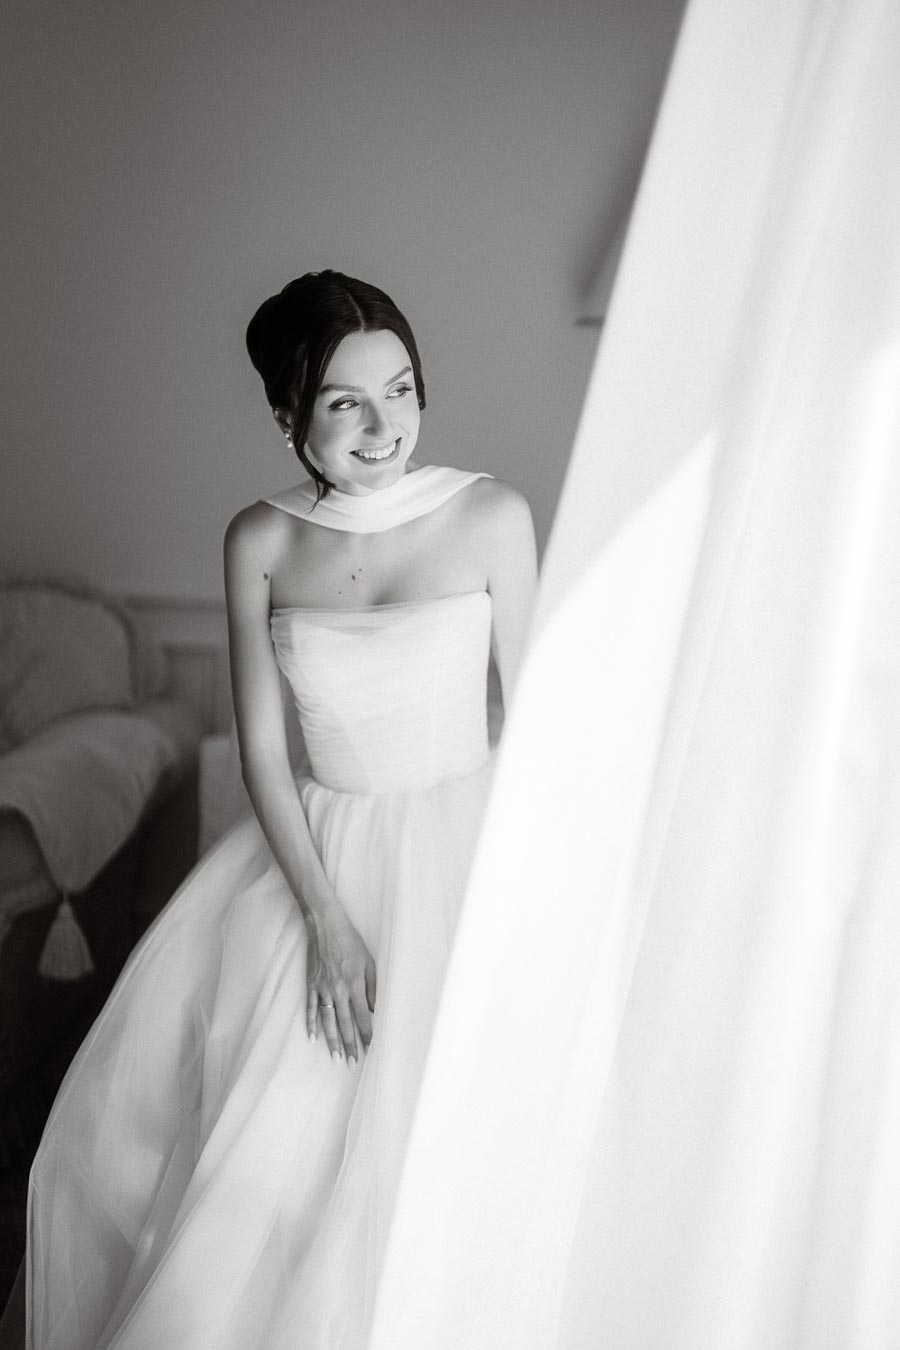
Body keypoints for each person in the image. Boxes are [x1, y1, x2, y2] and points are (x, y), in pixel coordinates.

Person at [15, 270, 537, 1348]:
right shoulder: (259, 539)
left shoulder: (490, 515)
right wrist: (328, 923)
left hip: (465, 845)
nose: (384, 425)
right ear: (288, 415)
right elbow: (260, 749)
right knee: (267, 1171)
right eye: (346, 402)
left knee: (460, 1155)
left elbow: (533, 721)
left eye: (400, 389)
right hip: (312, 860)